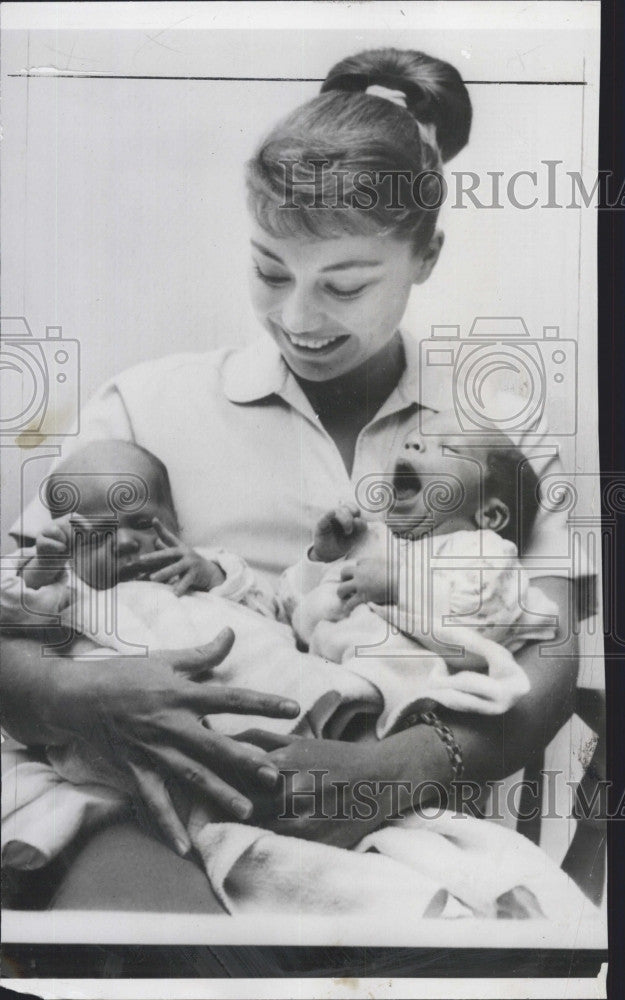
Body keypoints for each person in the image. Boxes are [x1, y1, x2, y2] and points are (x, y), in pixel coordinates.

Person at [1, 46, 582, 912]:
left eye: (344, 285)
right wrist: (71, 694)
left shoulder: (491, 436)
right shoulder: (143, 408)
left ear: (425, 256)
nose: (297, 318)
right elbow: (16, 615)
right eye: (270, 271)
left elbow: (550, 654)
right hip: (160, 805)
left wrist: (395, 768)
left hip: (416, 815)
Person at [280, 409, 560, 728]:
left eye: (448, 447)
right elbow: (296, 617)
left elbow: (482, 621)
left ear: (490, 515)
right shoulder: (370, 540)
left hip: (403, 708)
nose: (413, 446)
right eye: (412, 441)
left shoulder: (479, 551)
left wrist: (400, 585)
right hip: (320, 684)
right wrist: (322, 558)